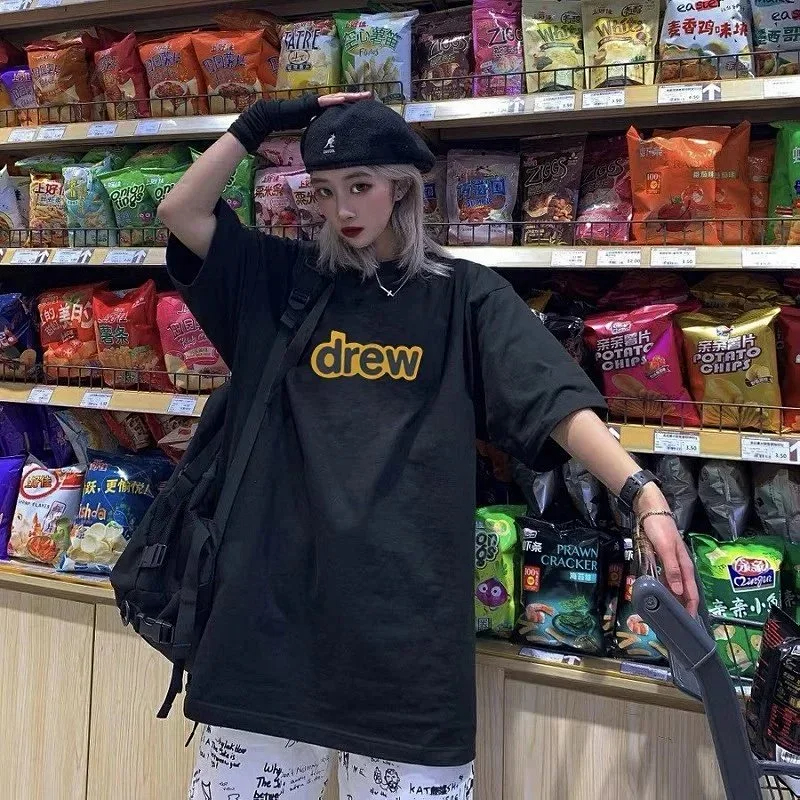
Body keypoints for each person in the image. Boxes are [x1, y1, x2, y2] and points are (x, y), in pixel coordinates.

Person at [159, 91, 699, 800]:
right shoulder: (279, 280)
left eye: (360, 185)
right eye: (325, 190)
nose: (343, 208)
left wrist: (642, 493)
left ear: (401, 188)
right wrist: (260, 122)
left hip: (405, 642)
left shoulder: (461, 296)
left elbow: (554, 401)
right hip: (268, 631)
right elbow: (181, 212)